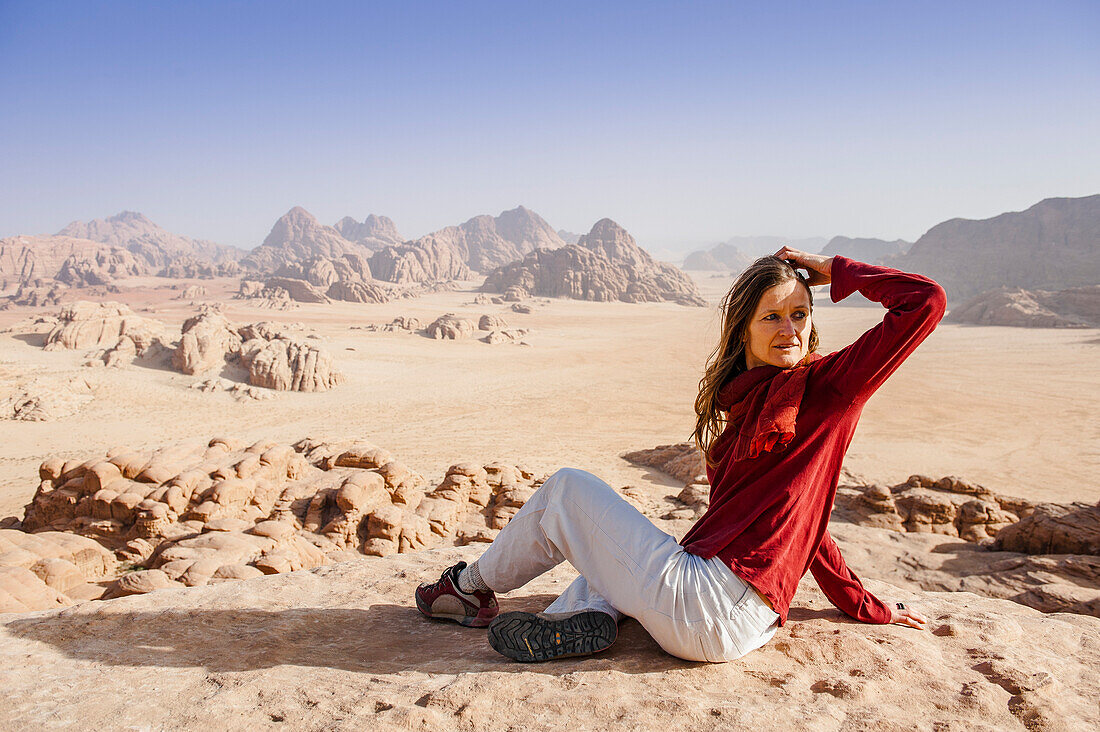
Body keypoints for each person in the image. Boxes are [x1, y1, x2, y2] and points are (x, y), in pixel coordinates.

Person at [415, 248, 945, 663]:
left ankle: (467, 590)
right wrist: (862, 605)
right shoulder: (745, 409)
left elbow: (926, 301)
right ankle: (581, 618)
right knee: (605, 550)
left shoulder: (831, 387)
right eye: (772, 317)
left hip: (711, 607)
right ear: (743, 331)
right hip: (740, 622)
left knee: (566, 491)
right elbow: (808, 530)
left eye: (800, 314)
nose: (790, 329)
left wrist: (834, 270)